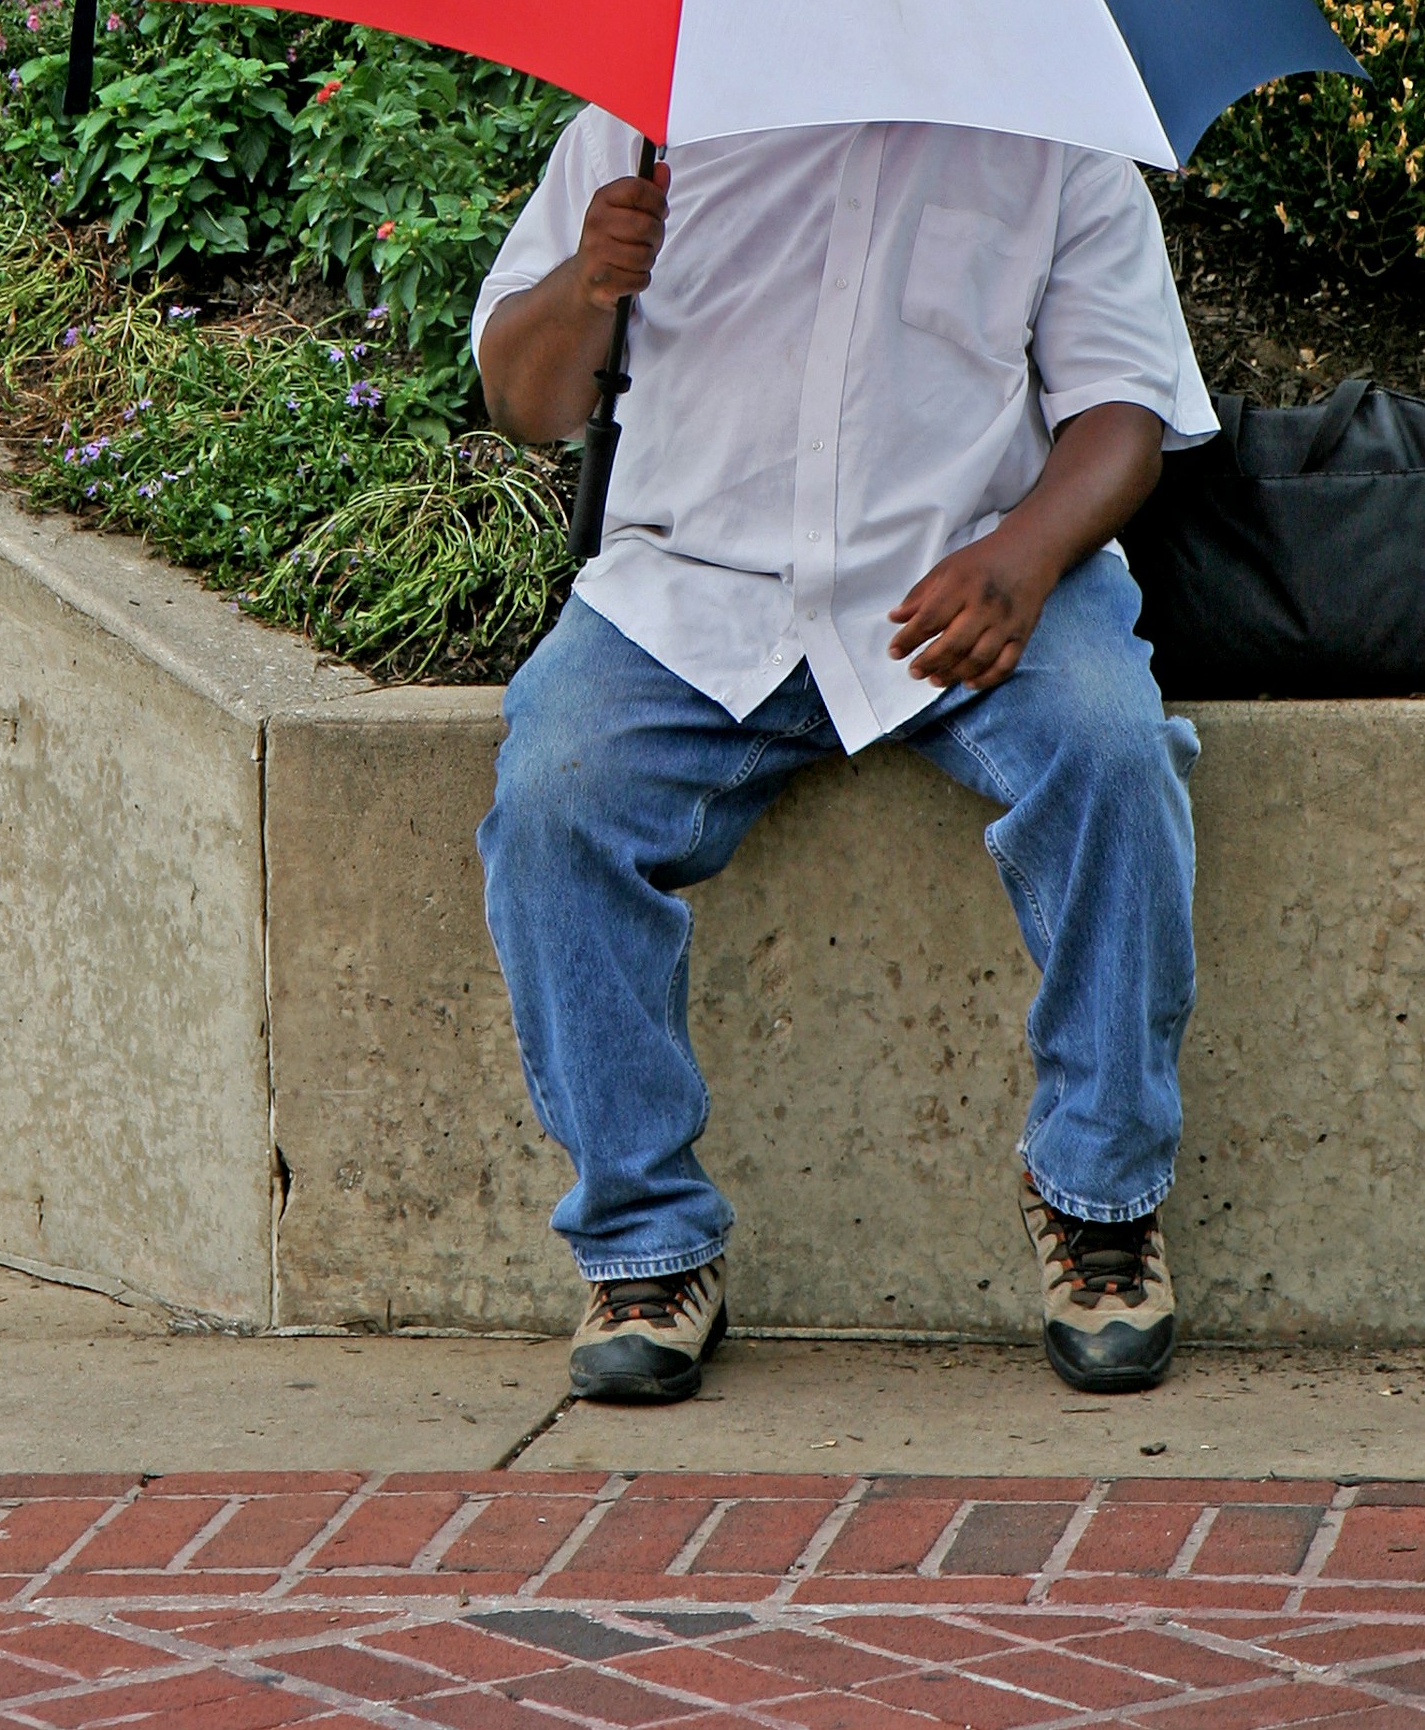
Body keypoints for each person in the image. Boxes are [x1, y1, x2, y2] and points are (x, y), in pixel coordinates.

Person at [473, 115, 1215, 1407]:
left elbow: (1123, 413)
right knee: (552, 798)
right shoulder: (644, 120)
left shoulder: (1047, 134)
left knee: (1113, 755)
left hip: (969, 581)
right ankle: (645, 1246)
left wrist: (1028, 552)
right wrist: (585, 286)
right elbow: (522, 402)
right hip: (695, 594)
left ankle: (1100, 1202)